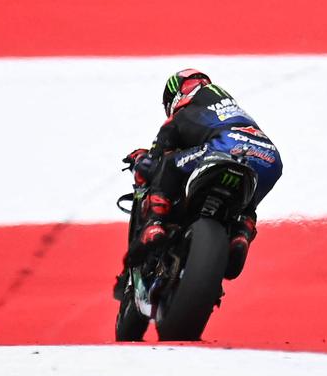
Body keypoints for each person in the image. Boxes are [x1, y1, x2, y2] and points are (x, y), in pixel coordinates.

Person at [118, 69, 283, 289]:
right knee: (246, 202)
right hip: (269, 157)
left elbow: (156, 159)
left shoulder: (183, 114)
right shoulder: (229, 109)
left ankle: (155, 224)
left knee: (169, 165)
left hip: (223, 146)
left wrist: (142, 159)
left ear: (177, 94)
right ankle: (241, 231)